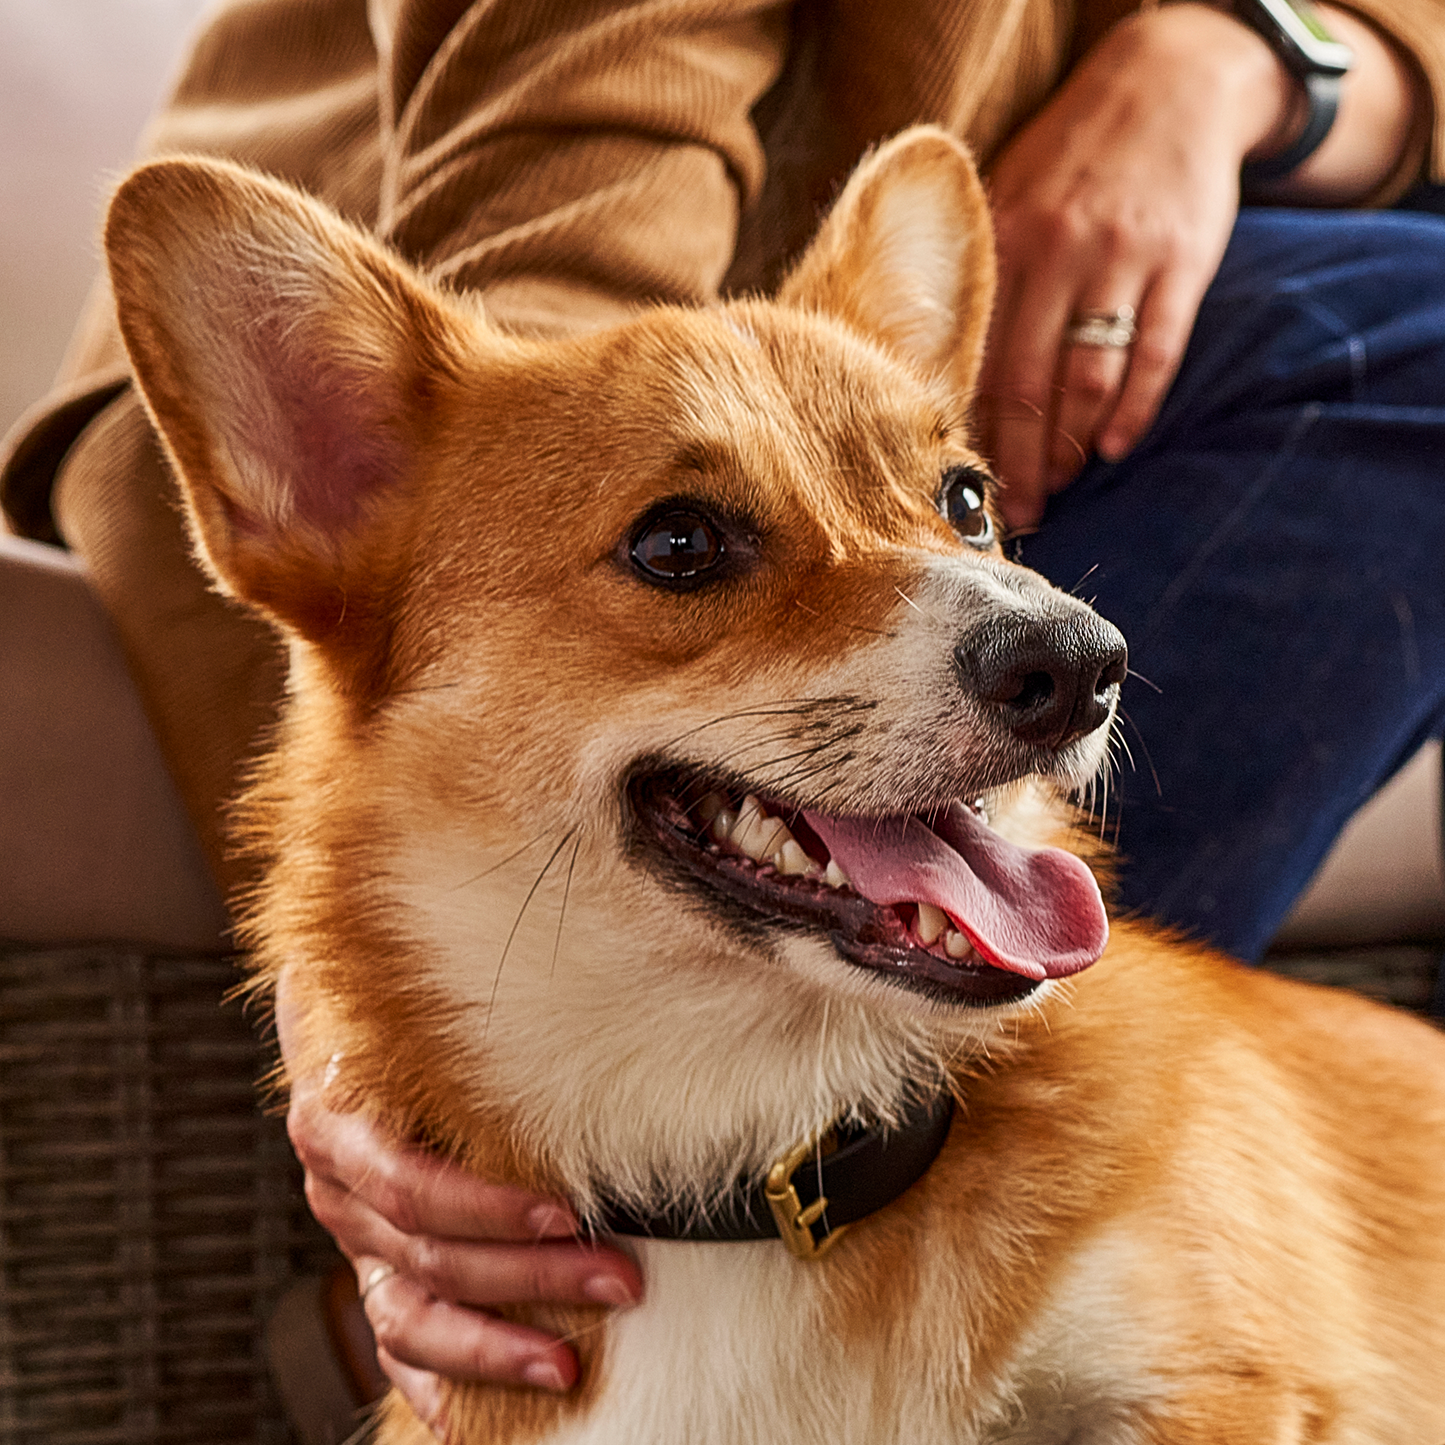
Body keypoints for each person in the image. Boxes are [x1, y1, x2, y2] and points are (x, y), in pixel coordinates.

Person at [4, 0, 1444, 1428]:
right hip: (562, 292)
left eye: (965, 510)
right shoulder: (420, 479)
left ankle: (1022, 1221)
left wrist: (1256, 55)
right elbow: (572, 157)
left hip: (949, 338)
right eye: (687, 552)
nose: (1057, 658)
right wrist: (368, 1051)